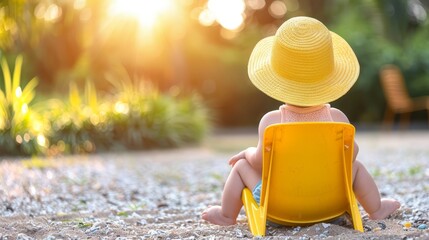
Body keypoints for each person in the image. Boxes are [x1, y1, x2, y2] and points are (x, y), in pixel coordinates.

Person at [201, 16, 400, 226]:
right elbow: (351, 155)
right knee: (357, 167)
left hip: (279, 206)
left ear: (278, 81)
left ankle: (226, 215)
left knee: (241, 166)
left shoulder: (272, 122)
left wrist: (248, 152)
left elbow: (259, 162)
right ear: (328, 81)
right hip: (331, 203)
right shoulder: (338, 119)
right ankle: (376, 208)